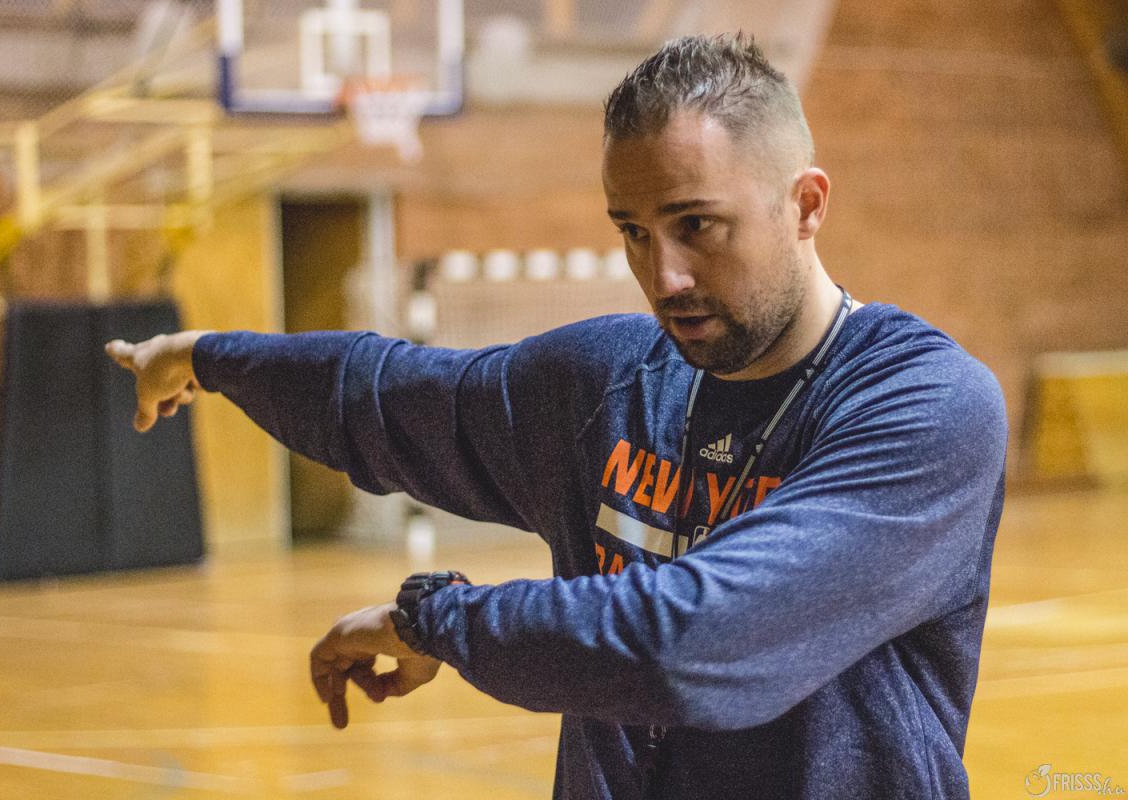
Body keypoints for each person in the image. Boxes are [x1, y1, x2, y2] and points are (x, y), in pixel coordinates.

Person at [106, 33, 1007, 800]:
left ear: (806, 205)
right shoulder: (611, 383)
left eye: (697, 225)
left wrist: (438, 621)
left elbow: (692, 641)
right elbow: (387, 396)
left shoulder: (923, 407)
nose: (664, 277)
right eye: (633, 232)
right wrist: (207, 355)